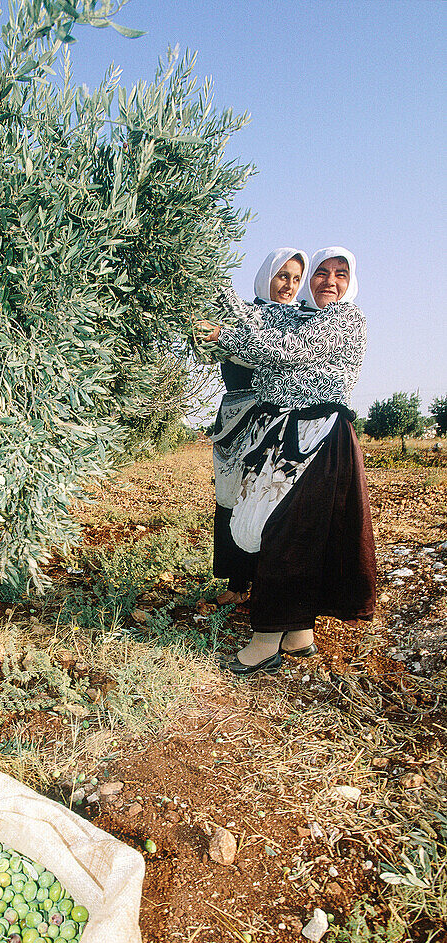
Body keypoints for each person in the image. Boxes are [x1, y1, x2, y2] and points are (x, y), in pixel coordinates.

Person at [197, 246, 376, 676]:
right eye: (321, 273)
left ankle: (265, 641)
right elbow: (264, 336)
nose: (328, 281)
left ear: (352, 283)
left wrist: (225, 335)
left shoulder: (347, 321)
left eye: (339, 274)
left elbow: (290, 350)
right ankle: (298, 635)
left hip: (319, 438)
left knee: (284, 536)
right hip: (296, 436)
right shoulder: (308, 317)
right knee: (302, 537)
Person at [211, 248, 309, 606]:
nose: (289, 285)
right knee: (233, 497)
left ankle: (266, 585)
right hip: (235, 422)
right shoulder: (243, 315)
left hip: (276, 421)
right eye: (283, 276)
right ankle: (237, 584)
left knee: (267, 499)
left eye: (297, 279)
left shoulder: (303, 322)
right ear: (267, 275)